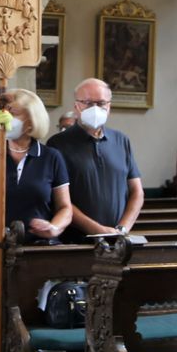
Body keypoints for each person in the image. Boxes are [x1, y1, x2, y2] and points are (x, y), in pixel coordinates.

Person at [0, 89, 72, 289]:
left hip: (39, 255)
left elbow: (65, 208)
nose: (5, 117)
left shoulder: (51, 157)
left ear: (31, 120)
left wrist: (54, 227)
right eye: (3, 112)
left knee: (35, 319)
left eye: (13, 113)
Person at [48, 78, 143, 241]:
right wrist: (97, 230)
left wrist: (121, 229)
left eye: (101, 103)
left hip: (118, 239)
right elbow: (59, 199)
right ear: (77, 106)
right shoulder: (57, 144)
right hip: (76, 241)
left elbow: (137, 192)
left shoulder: (121, 140)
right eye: (88, 103)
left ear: (109, 106)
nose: (95, 108)